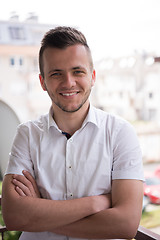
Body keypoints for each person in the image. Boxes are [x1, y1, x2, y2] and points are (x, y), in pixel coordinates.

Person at [2, 26, 144, 240]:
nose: (69, 82)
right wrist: (97, 202)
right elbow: (14, 216)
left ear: (93, 76)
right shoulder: (27, 134)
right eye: (56, 73)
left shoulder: (120, 133)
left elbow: (125, 224)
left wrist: (39, 214)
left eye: (77, 71)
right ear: (42, 82)